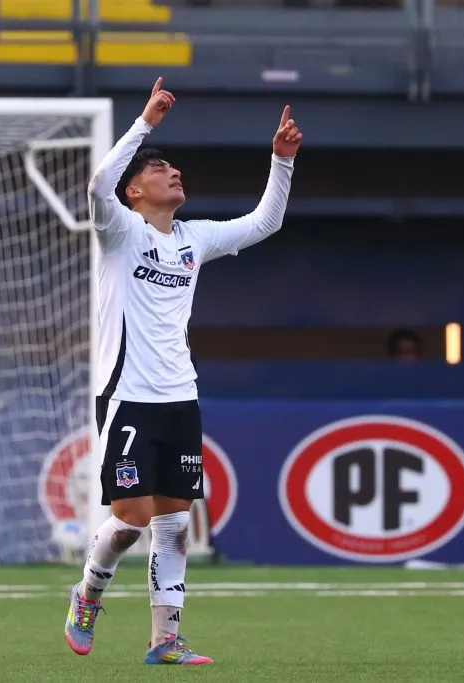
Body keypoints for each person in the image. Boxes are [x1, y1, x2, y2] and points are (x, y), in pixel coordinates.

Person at [64, 77, 302, 664]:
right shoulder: (119, 231)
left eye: (173, 168)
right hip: (127, 394)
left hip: (179, 396)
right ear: (134, 190)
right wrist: (145, 123)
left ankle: (165, 639)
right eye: (159, 169)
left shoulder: (194, 240)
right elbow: (97, 183)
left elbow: (265, 223)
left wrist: (281, 161)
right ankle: (87, 594)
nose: (173, 173)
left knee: (174, 523)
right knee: (131, 519)